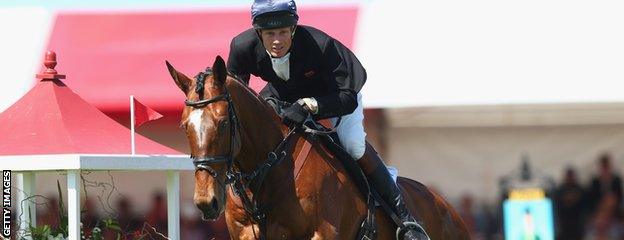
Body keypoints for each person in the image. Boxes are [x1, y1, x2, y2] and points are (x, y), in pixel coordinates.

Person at [226, 0, 430, 239]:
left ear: (293, 29)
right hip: (282, 96)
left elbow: (348, 96)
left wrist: (311, 105)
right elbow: (236, 100)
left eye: (283, 32)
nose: (277, 41)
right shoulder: (242, 46)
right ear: (258, 33)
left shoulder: (320, 45)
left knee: (353, 145)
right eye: (270, 34)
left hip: (334, 97)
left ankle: (405, 220)